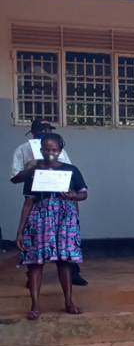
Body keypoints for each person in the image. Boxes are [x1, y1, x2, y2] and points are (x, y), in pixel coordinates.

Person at [15, 134, 87, 320]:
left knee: (64, 261)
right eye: (47, 149)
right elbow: (28, 202)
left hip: (64, 218)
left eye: (54, 150)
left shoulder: (71, 170)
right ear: (41, 151)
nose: (50, 153)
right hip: (39, 218)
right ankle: (35, 304)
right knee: (35, 262)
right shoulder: (33, 172)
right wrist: (20, 231)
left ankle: (69, 302)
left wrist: (72, 195)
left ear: (60, 152)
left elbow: (83, 195)